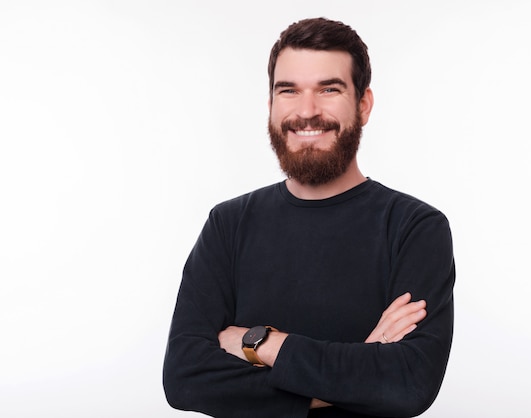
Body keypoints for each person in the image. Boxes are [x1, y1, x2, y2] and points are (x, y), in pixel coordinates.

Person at [163, 17, 455, 418]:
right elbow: (184, 378)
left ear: (363, 104)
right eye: (289, 91)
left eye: (329, 89)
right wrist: (356, 375)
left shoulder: (415, 228)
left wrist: (259, 344)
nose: (307, 111)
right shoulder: (228, 224)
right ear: (270, 106)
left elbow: (408, 383)